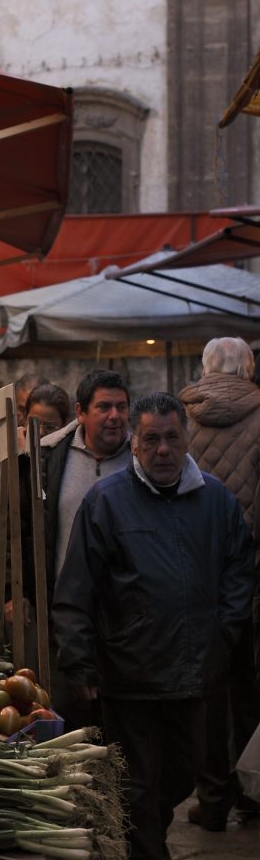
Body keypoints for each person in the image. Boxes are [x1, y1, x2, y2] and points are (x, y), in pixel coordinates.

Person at [53, 391, 255, 860]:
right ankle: (147, 850)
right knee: (140, 782)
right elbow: (76, 587)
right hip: (130, 671)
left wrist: (223, 632)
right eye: (151, 440)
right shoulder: (107, 501)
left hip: (195, 671)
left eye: (171, 438)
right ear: (135, 444)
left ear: (186, 440)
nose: (162, 449)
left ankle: (145, 837)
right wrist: (78, 660)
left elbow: (240, 569)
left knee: (183, 775)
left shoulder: (216, 499)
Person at [179, 337, 260, 829]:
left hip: (194, 577)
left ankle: (211, 799)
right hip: (252, 575)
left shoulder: (182, 421)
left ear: (204, 368)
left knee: (208, 689)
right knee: (250, 685)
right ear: (248, 368)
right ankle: (252, 791)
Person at [19, 369, 131, 715]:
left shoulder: (140, 459)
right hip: (64, 615)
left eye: (122, 407)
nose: (115, 416)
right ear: (81, 413)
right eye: (104, 407)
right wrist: (19, 589)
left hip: (127, 618)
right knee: (67, 714)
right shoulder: (50, 457)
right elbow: (26, 527)